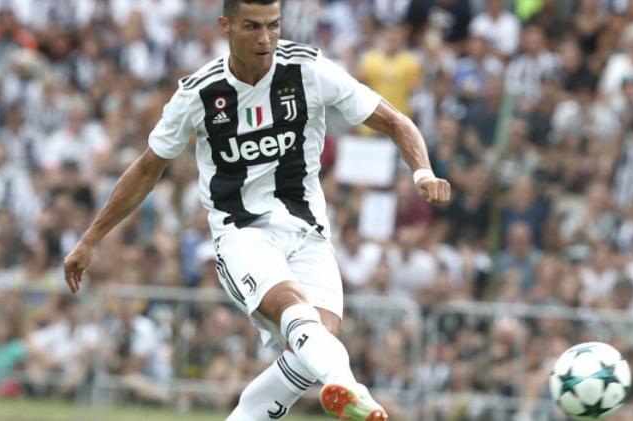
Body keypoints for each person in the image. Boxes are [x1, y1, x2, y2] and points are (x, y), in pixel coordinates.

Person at [62, 0, 451, 420]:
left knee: (313, 347)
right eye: (252, 27)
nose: (265, 39)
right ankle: (352, 389)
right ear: (225, 26)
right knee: (293, 310)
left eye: (273, 26)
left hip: (308, 231)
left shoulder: (308, 70)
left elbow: (395, 120)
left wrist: (422, 172)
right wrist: (91, 239)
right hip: (242, 232)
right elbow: (145, 170)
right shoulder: (200, 93)